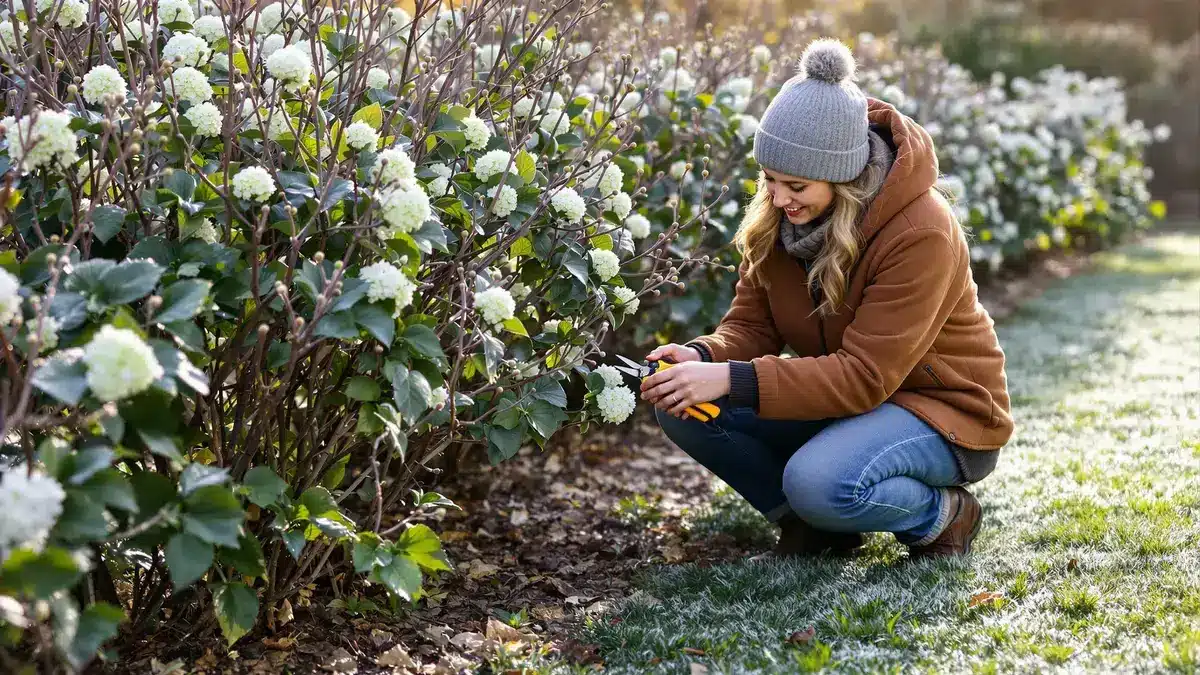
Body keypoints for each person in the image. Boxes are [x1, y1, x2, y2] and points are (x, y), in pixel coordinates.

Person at [641, 38, 1013, 560]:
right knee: (685, 406)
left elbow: (864, 376)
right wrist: (702, 358)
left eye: (795, 184)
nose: (776, 197)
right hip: (848, 404)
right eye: (768, 179)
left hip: (942, 412)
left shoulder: (921, 231)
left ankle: (942, 514)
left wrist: (730, 378)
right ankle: (816, 530)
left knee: (818, 482)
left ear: (845, 177)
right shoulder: (779, 218)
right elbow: (753, 326)